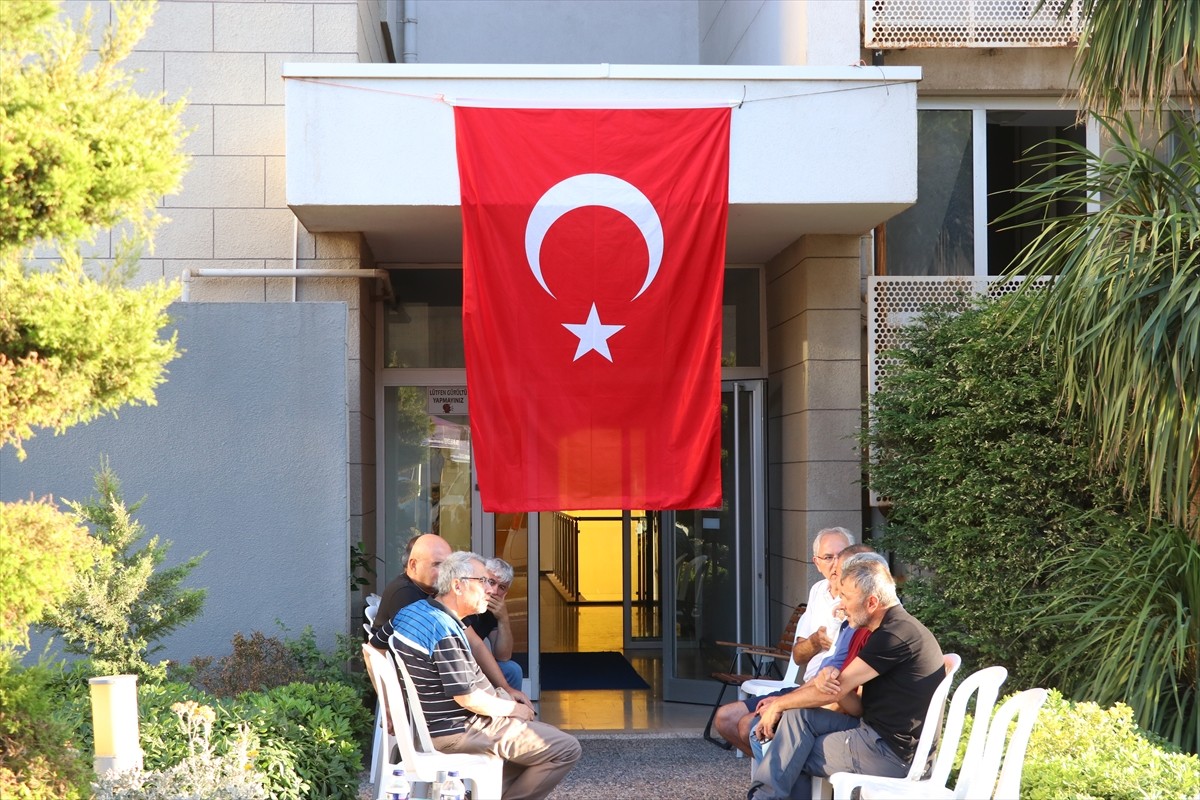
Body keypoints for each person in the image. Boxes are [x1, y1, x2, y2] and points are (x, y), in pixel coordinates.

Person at [747, 556, 945, 800]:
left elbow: (835, 690)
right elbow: (857, 706)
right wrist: (830, 682)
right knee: (797, 719)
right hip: (873, 734)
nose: (839, 606)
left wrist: (778, 703)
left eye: (846, 598)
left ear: (872, 602)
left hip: (890, 755)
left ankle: (762, 797)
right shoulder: (891, 628)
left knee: (787, 752)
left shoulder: (894, 635)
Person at [390, 551, 581, 800]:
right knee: (565, 748)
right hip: (460, 728)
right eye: (483, 582)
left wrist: (393, 705)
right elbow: (467, 698)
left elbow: (374, 647)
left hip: (441, 724)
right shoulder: (443, 631)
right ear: (458, 586)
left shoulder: (413, 612)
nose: (489, 591)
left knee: (539, 737)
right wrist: (512, 710)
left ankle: (485, 794)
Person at [713, 526, 855, 754]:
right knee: (725, 718)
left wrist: (784, 703)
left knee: (748, 725)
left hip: (829, 695)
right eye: (828, 557)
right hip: (805, 687)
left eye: (842, 555)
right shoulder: (818, 591)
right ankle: (781, 775)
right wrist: (815, 642)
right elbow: (798, 656)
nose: (836, 563)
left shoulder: (859, 601)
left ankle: (782, 780)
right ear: (817, 563)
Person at [370, 534, 534, 710]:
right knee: (510, 675)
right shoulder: (407, 596)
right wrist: (388, 703)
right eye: (437, 565)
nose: (444, 572)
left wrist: (506, 689)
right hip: (431, 688)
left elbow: (477, 644)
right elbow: (374, 650)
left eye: (448, 565)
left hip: (446, 675)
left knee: (510, 670)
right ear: (413, 565)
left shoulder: (432, 594)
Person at [463, 557, 523, 691]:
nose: (494, 591)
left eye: (501, 587)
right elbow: (475, 645)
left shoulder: (492, 610)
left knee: (512, 670)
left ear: (505, 594)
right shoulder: (467, 598)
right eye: (491, 582)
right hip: (457, 662)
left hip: (476, 663)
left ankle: (511, 710)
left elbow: (503, 656)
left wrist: (503, 619)